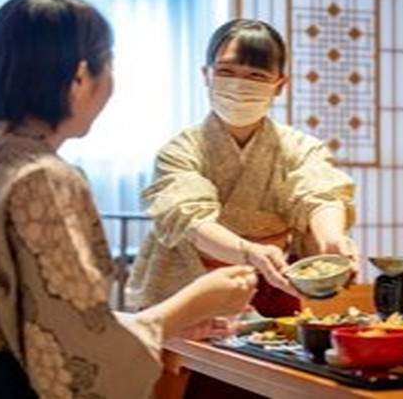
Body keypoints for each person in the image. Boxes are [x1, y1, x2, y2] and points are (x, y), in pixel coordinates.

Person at [0, 0, 257, 398]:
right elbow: (82, 357)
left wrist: (170, 322)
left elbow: (47, 321)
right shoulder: (44, 179)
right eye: (109, 63)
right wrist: (195, 302)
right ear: (80, 77)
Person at [127, 19, 358, 318]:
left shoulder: (301, 148)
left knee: (273, 346)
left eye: (256, 75)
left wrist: (332, 240)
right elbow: (189, 218)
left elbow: (320, 195)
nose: (239, 84)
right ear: (206, 75)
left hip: (272, 278)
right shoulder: (180, 150)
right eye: (226, 72)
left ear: (280, 85)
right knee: (185, 349)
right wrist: (247, 251)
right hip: (188, 280)